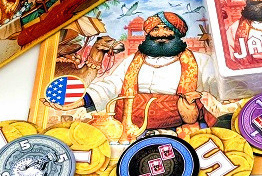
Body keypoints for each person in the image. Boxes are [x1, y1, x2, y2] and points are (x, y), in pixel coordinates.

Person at [50, 11, 221, 131]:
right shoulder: (132, 61)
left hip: (181, 125)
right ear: (148, 34)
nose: (161, 33)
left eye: (167, 28)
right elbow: (112, 85)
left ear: (177, 33)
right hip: (130, 127)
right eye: (155, 29)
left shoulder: (199, 61)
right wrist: (82, 100)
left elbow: (216, 83)